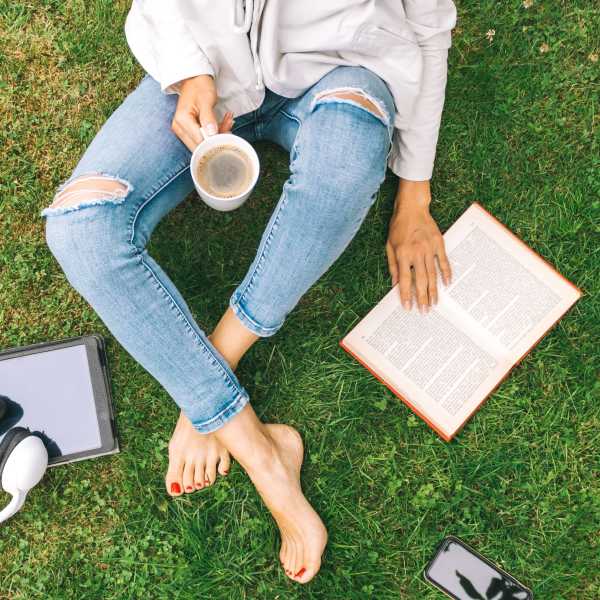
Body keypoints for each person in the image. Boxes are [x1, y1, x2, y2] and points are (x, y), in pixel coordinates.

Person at [42, 0, 456, 584]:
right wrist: (191, 71)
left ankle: (214, 370)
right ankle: (261, 454)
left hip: (341, 72)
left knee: (342, 168)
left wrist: (415, 195)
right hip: (206, 72)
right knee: (80, 227)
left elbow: (431, 30)